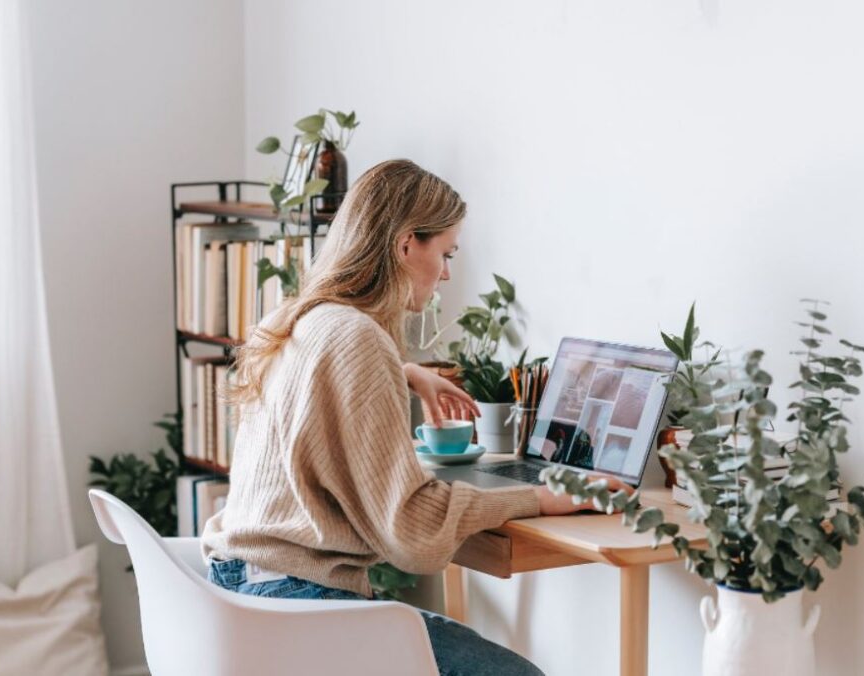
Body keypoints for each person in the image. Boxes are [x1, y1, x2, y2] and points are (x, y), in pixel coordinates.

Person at [202, 159, 631, 676]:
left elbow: (321, 375)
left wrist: (406, 371)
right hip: (297, 604)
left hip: (237, 590)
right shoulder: (359, 339)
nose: (447, 272)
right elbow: (412, 531)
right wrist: (540, 497)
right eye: (445, 253)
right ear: (406, 245)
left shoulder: (293, 318)